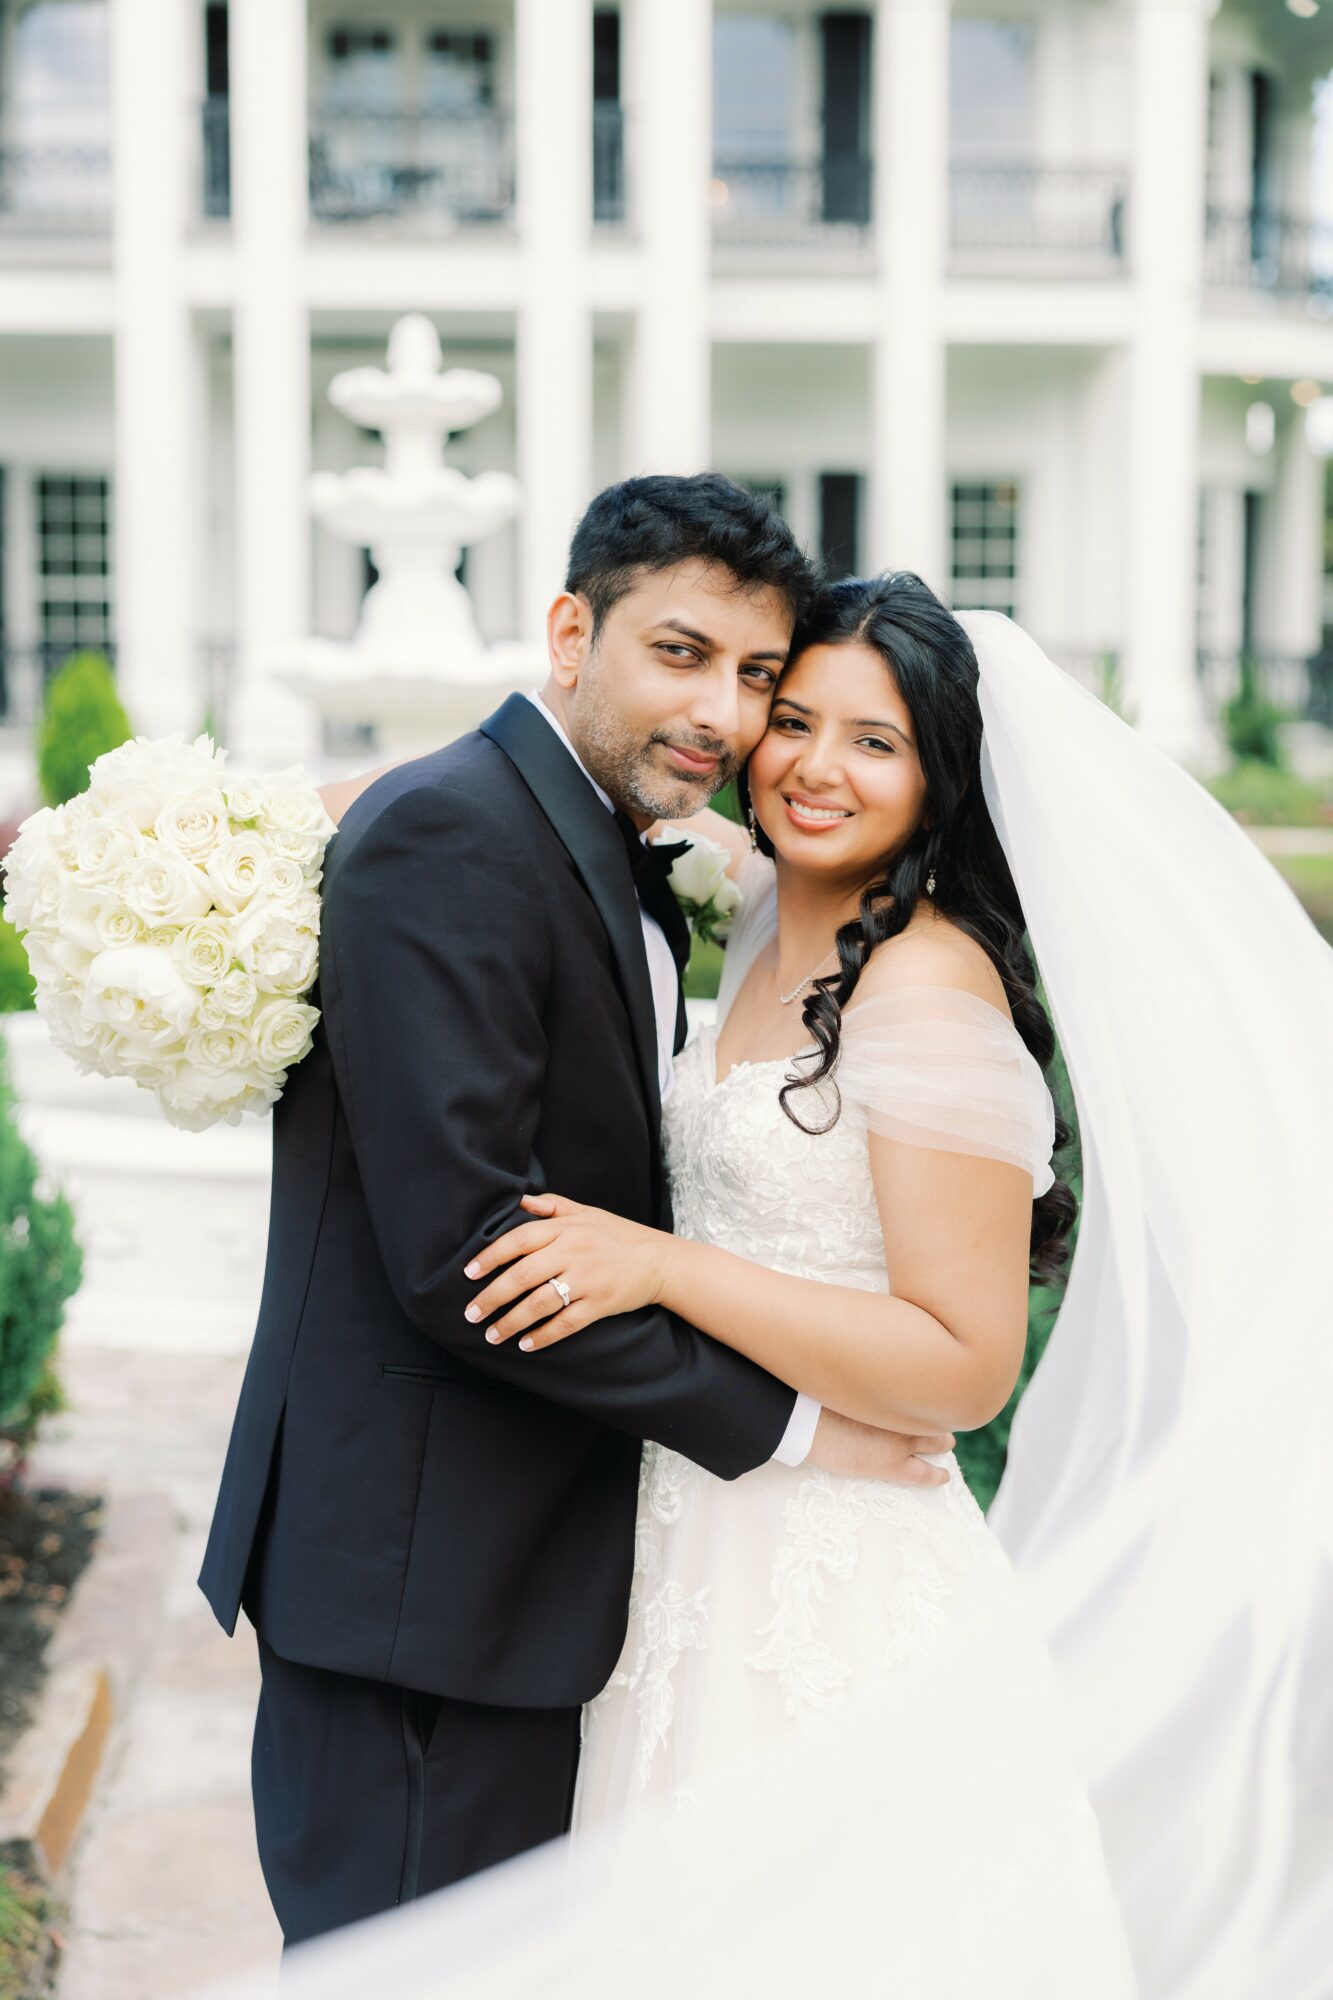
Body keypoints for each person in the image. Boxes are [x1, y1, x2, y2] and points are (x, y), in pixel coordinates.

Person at [197, 478, 952, 1948]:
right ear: (568, 630)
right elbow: (471, 1258)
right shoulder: (454, 837)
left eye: (752, 677)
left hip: (505, 1577)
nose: (724, 717)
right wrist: (794, 1428)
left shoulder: (580, 834)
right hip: (424, 1576)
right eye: (678, 654)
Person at [463, 572, 1139, 1988]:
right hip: (686, 1541)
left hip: (840, 1576)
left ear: (939, 782)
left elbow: (962, 1366)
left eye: (875, 742)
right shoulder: (770, 912)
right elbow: (518, 798)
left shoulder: (924, 987)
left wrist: (658, 1264)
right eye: (794, 719)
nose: (815, 767)